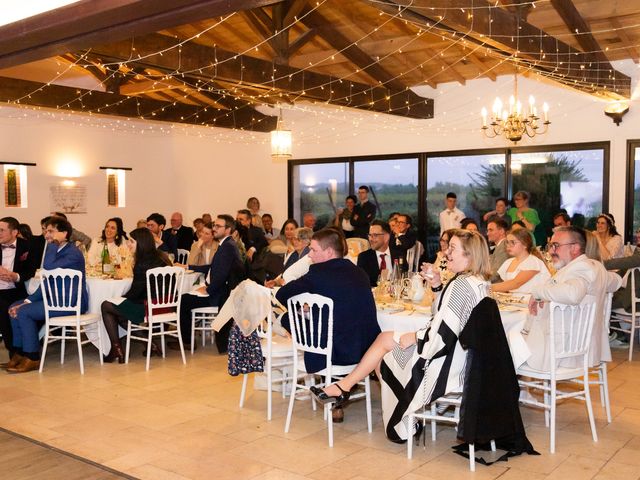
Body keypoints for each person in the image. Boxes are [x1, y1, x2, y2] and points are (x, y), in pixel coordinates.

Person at [311, 230, 491, 442]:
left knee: (382, 358)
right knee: (385, 344)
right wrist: (436, 286)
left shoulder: (461, 285)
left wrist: (416, 337)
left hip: (446, 365)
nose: (446, 252)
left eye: (452, 248)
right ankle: (348, 389)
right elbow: (447, 316)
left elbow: (442, 336)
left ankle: (401, 418)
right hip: (464, 357)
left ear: (469, 254)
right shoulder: (477, 281)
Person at [277, 228, 381, 421]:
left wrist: (303, 305)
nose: (309, 254)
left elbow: (282, 294)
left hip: (334, 352)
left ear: (329, 253)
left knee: (286, 318)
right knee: (331, 324)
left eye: (314, 250)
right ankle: (337, 401)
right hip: (365, 350)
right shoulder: (359, 272)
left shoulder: (318, 273)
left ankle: (332, 394)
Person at [524, 227, 617, 370]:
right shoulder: (596, 267)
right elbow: (616, 281)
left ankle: (521, 391)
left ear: (575, 248)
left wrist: (538, 292)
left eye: (556, 246)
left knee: (505, 341)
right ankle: (525, 391)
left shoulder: (581, 267)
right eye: (550, 246)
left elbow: (573, 293)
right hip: (582, 344)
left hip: (562, 349)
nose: (550, 251)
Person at [5, 217, 88, 373]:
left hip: (70, 302)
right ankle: (20, 352)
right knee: (14, 307)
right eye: (46, 230)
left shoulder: (73, 253)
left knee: (24, 313)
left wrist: (50, 245)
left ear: (64, 233)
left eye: (51, 231)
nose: (46, 234)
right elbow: (47, 282)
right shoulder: (57, 250)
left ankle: (32, 357)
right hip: (55, 300)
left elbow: (48, 268)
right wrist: (28, 300)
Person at [99, 228, 172, 363]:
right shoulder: (162, 256)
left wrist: (120, 298)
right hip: (167, 305)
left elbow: (135, 293)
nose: (128, 244)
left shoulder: (142, 263)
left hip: (150, 307)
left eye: (131, 241)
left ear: (141, 243)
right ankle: (150, 345)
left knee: (106, 306)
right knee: (119, 313)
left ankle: (116, 350)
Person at [176, 214, 245, 353]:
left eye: (218, 226)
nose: (214, 228)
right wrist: (189, 267)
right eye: (214, 225)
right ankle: (187, 339)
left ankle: (187, 342)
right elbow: (213, 267)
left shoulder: (227, 246)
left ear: (228, 229)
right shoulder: (226, 244)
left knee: (182, 301)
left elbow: (221, 275)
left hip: (220, 294)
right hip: (220, 290)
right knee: (185, 298)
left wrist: (208, 289)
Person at [0, 217, 38, 365]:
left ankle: (16, 353)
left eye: (2, 230)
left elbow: (31, 270)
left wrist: (14, 276)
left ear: (14, 232)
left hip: (16, 289)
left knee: (5, 309)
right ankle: (16, 352)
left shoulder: (28, 247)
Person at [492, 228, 550, 294]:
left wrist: (488, 288)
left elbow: (515, 283)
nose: (508, 246)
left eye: (513, 242)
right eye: (507, 242)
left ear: (525, 244)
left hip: (531, 301)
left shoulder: (533, 262)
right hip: (513, 301)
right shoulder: (508, 262)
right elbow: (505, 287)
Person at [357, 220, 398, 287]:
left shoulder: (399, 255)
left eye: (375, 235)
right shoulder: (364, 257)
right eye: (370, 235)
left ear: (386, 237)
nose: (371, 239)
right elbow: (362, 284)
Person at [487, 217, 510, 283]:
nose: (487, 233)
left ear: (501, 231)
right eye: (487, 230)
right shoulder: (500, 246)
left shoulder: (504, 246)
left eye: (491, 230)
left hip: (499, 287)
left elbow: (496, 273)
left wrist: (479, 281)